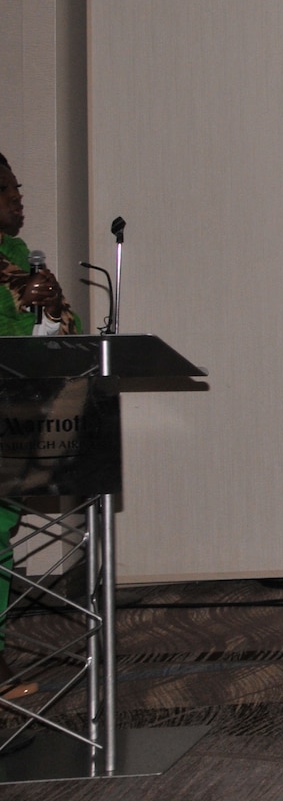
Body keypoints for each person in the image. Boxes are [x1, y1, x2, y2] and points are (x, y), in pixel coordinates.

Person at [0, 151, 77, 700]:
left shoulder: (18, 254)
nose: (19, 197)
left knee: (2, 538)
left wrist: (49, 311)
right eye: (7, 189)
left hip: (14, 412)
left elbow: (58, 329)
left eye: (18, 186)